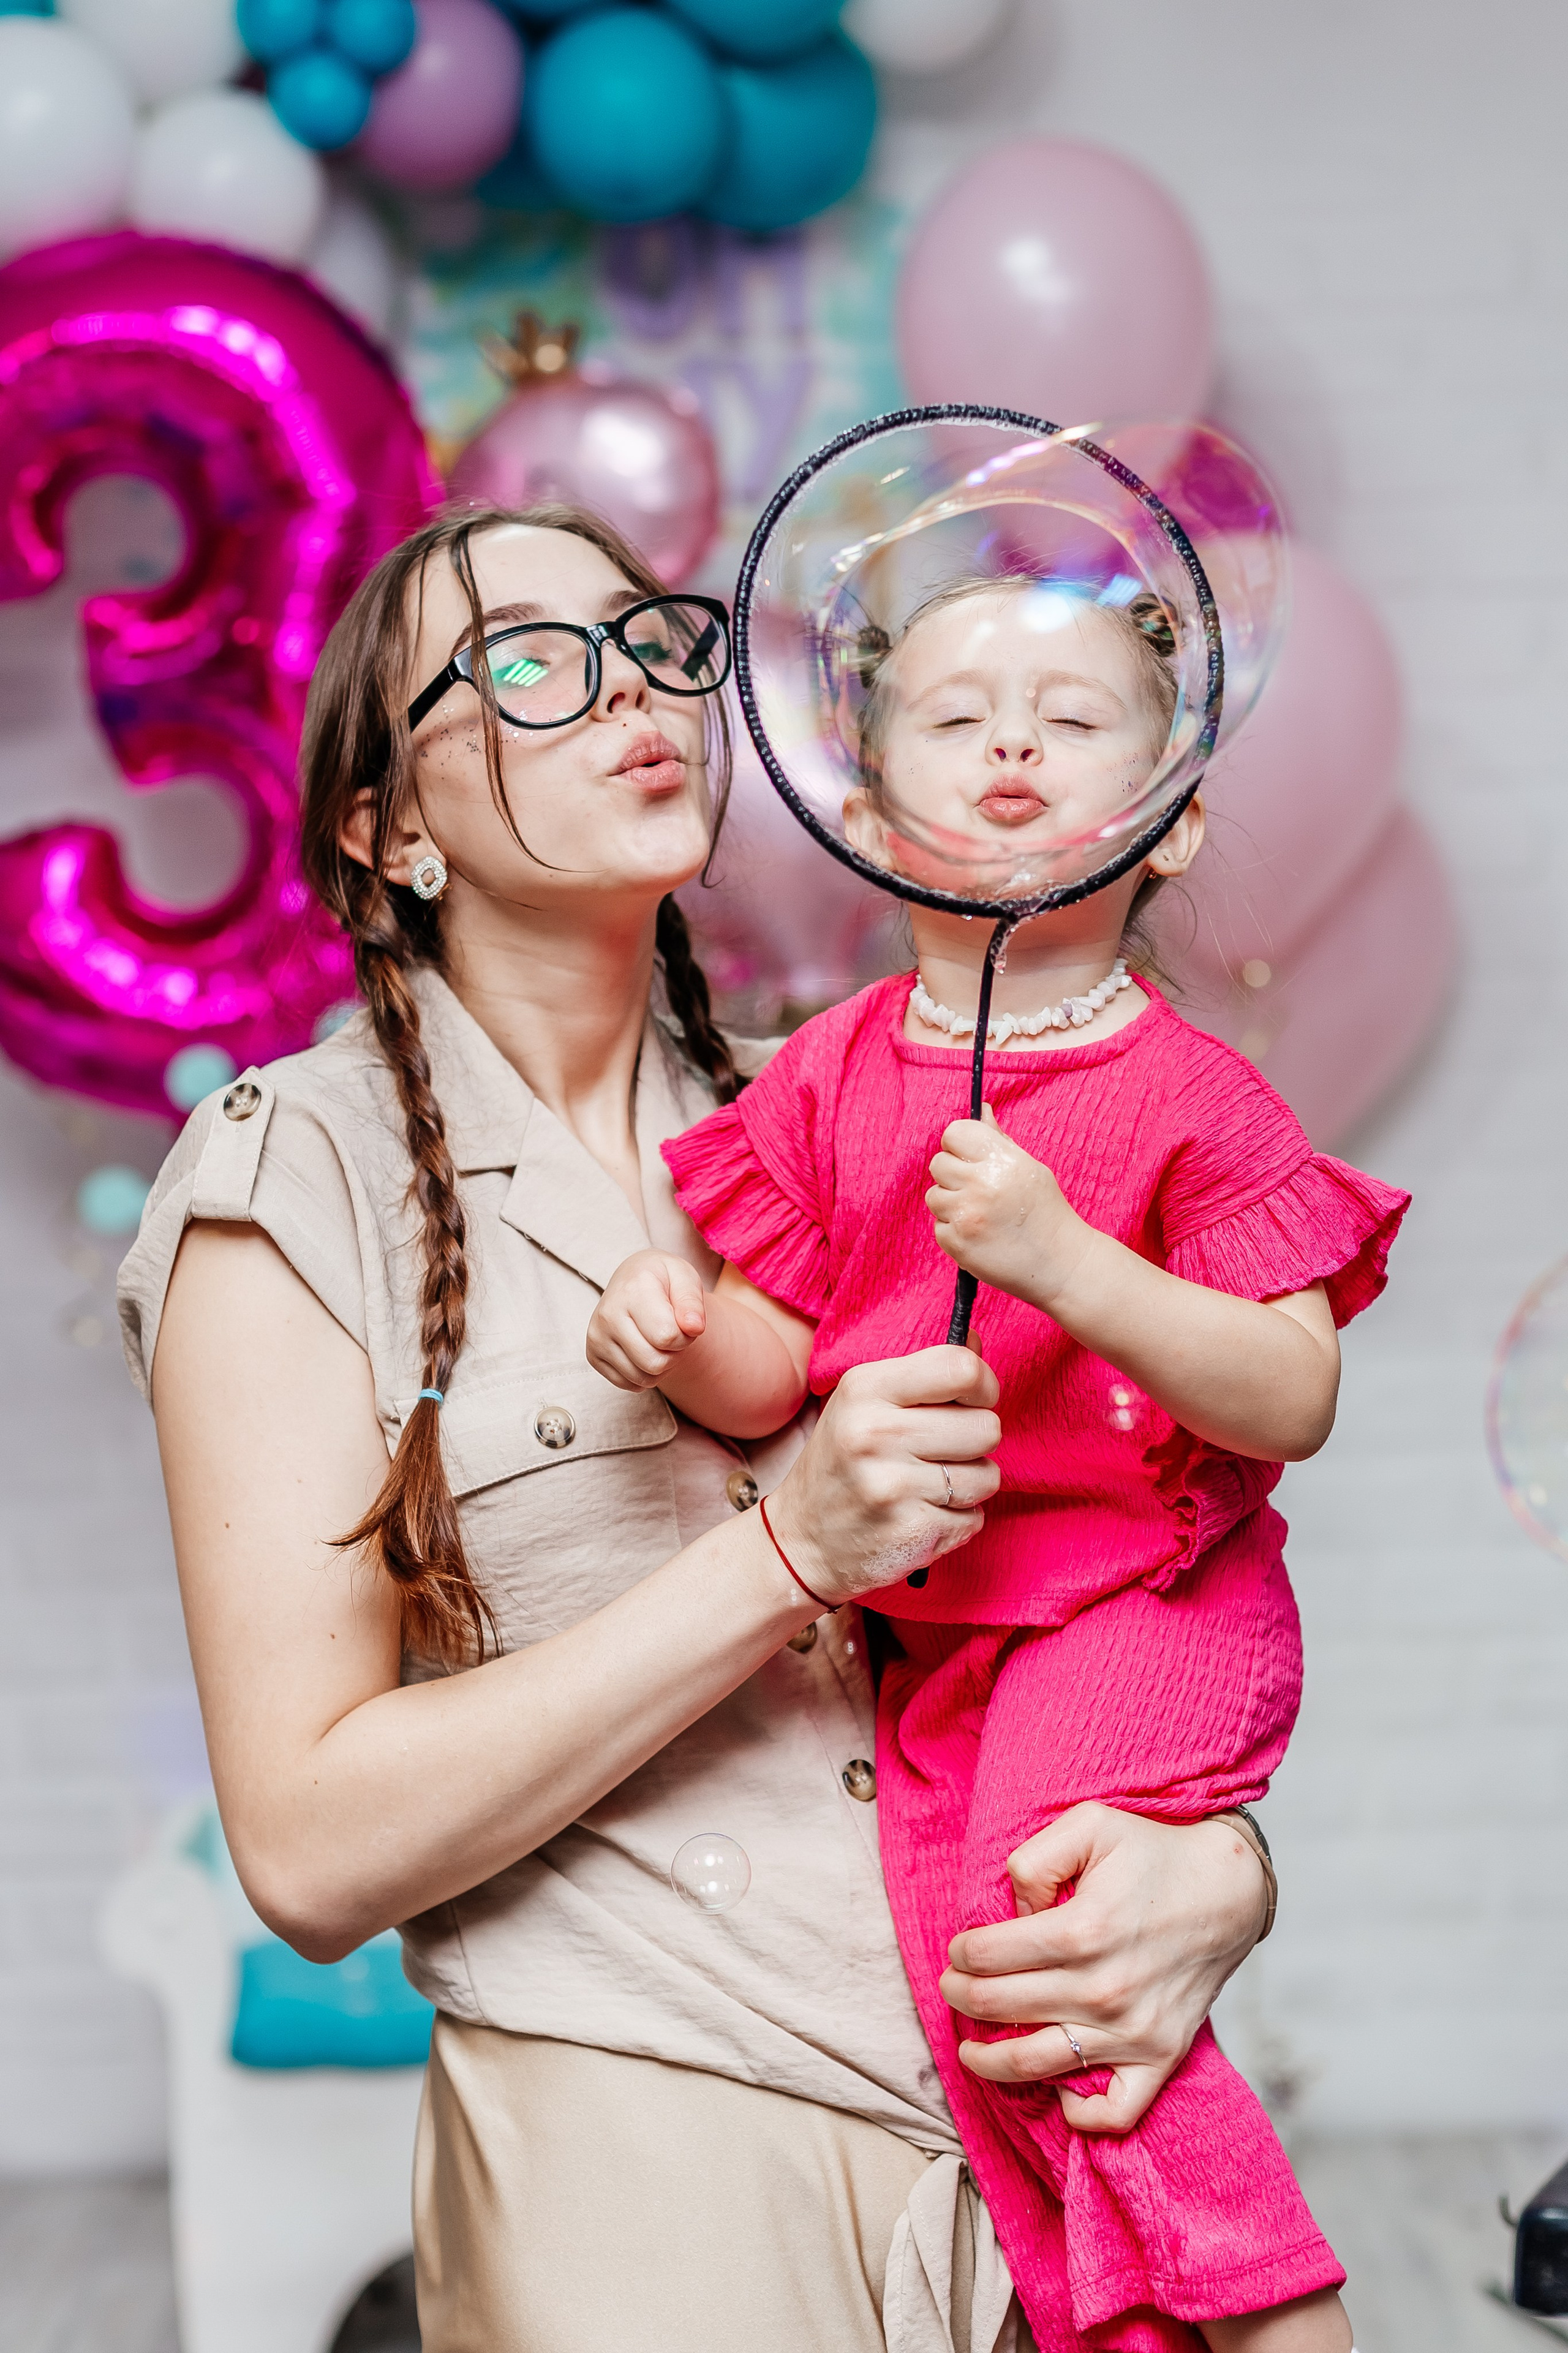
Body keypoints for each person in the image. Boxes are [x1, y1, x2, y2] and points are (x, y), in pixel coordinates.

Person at [119, 514, 1284, 2353]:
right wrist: (786, 1548)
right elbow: (310, 1848)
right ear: (388, 830)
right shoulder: (291, 1179)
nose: (635, 692)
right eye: (526, 662)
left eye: (649, 639)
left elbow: (1119, 1563)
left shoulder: (843, 1106)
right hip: (645, 2137)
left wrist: (1219, 1866)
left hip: (1016, 2115)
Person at [589, 574, 1409, 2351]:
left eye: (1074, 715)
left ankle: (1275, 2314)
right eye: (958, 718)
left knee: (1042, 1954)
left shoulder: (1198, 1094)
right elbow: (769, 1371)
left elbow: (1288, 1390)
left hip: (1143, 1601)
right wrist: (674, 1319)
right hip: (942, 1638)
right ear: (878, 819)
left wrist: (1064, 1259)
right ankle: (1114, 2323)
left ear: (1173, 819)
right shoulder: (826, 1075)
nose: (1016, 740)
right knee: (989, 1999)